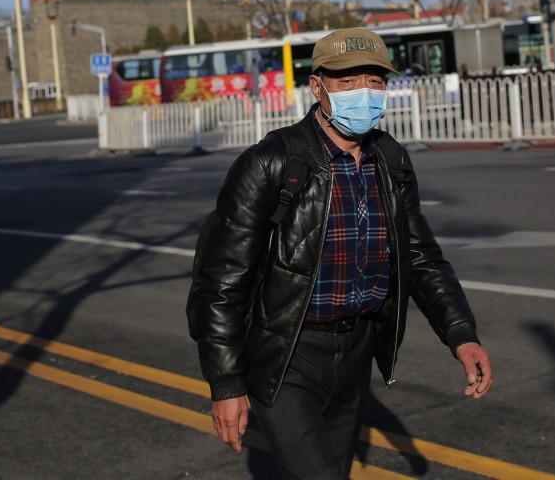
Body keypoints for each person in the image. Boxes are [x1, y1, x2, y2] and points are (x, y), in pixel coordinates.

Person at [186, 28, 492, 479]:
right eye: (347, 82)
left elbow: (421, 256)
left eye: (374, 81)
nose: (363, 93)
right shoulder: (271, 162)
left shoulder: (390, 160)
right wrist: (226, 383)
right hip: (284, 353)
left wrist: (461, 334)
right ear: (318, 86)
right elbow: (220, 282)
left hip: (355, 351)